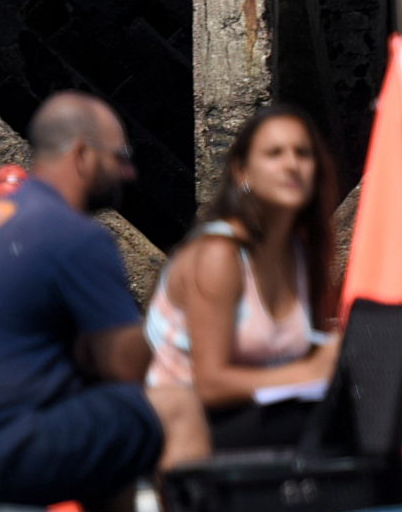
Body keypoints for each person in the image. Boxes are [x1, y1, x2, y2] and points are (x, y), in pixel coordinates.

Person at [0, 93, 204, 512]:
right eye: (120, 155)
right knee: (177, 408)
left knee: (108, 410)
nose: (128, 171)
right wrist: (177, 301)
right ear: (84, 155)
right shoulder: (74, 236)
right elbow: (128, 368)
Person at [143, 105, 342, 464]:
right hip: (185, 424)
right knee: (337, 423)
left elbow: (302, 356)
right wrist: (309, 373)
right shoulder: (219, 255)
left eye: (303, 153)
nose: (291, 165)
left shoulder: (300, 250)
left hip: (255, 414)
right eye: (274, 154)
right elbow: (210, 384)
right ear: (242, 173)